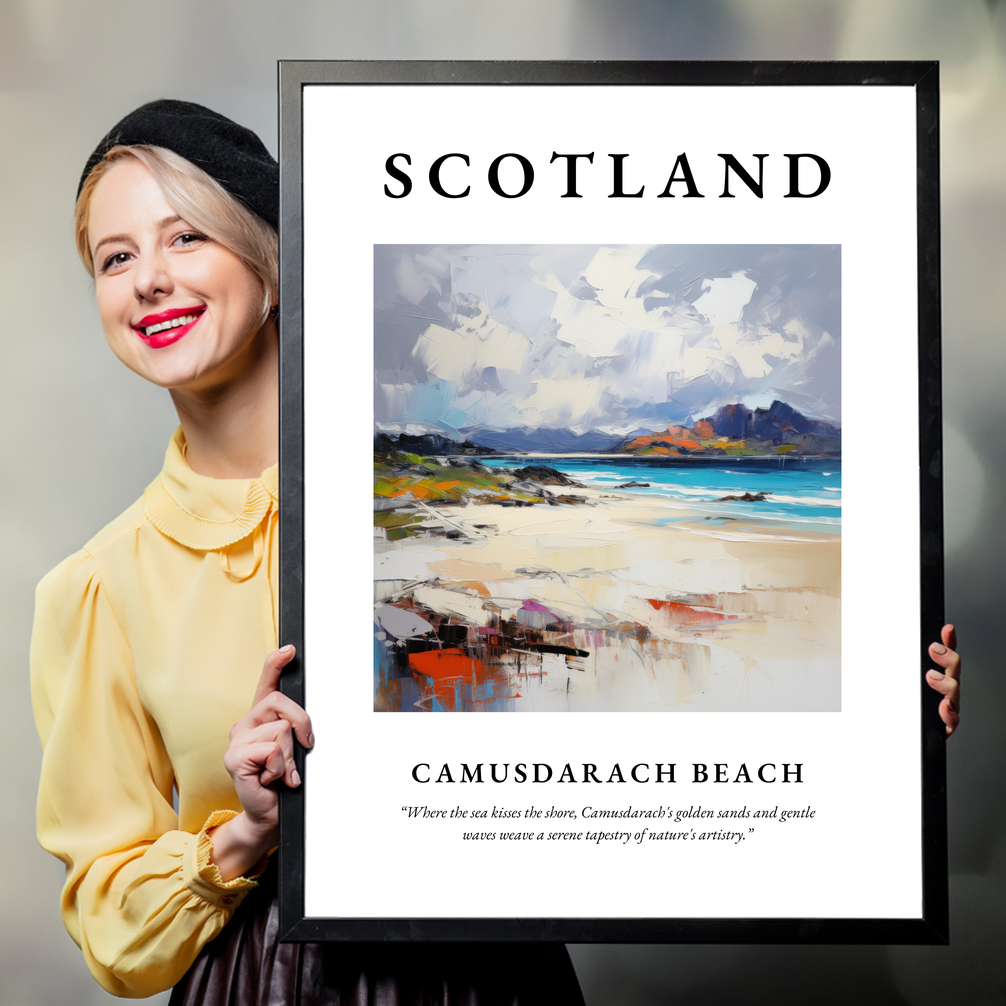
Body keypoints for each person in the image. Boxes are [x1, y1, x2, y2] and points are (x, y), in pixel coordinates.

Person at [30, 100, 586, 1004]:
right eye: (116, 257)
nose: (148, 281)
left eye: (185, 238)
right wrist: (245, 832)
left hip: (493, 973)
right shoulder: (97, 587)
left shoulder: (442, 511)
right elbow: (110, 923)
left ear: (273, 263)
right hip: (262, 981)